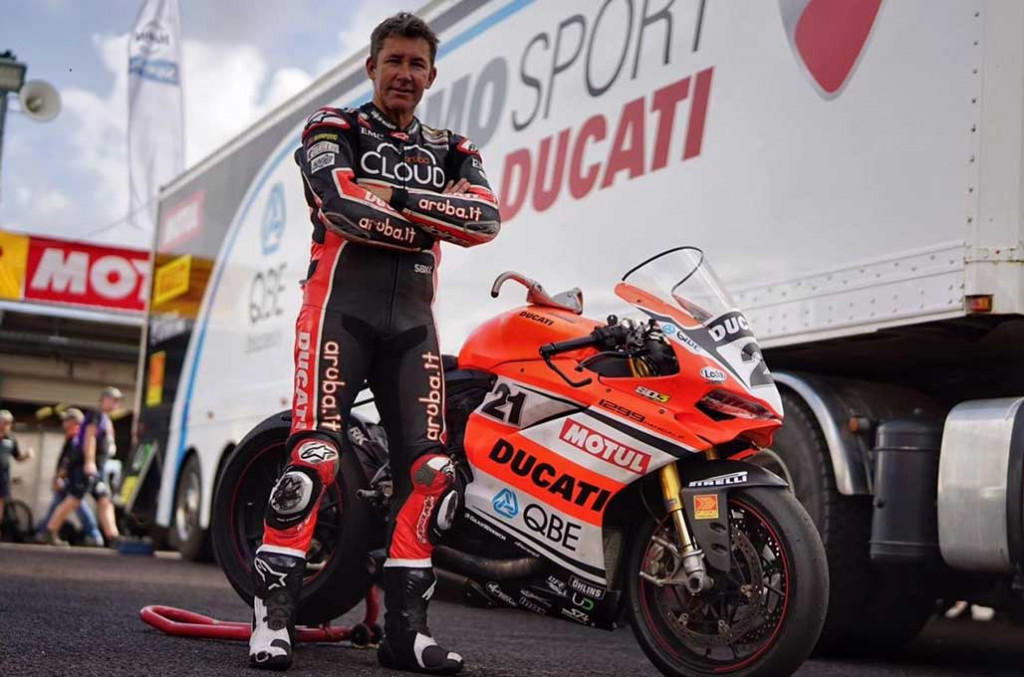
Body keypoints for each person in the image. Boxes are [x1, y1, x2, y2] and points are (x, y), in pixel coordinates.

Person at [248, 12, 501, 673]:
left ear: (432, 76)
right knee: (314, 456)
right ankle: (273, 618)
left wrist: (393, 197)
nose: (404, 74)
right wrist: (431, 214)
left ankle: (404, 633)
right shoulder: (334, 125)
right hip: (338, 313)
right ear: (372, 67)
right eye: (394, 61)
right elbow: (339, 204)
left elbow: (484, 219)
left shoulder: (453, 145)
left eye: (417, 64)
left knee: (432, 472)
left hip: (413, 326)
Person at [43, 387, 122, 546]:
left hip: (97, 467)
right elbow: (89, 437)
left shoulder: (105, 419)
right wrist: (89, 462)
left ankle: (113, 537)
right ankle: (49, 531)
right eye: (114, 400)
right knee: (74, 497)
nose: (116, 404)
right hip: (84, 466)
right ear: (105, 399)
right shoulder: (96, 414)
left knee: (104, 499)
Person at [34, 408, 104, 546]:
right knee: (62, 505)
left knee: (76, 504)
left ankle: (94, 535)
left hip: (72, 480)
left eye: (66, 420)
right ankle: (44, 532)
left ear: (74, 422)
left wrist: (59, 476)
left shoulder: (77, 439)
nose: (64, 423)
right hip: (70, 480)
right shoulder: (72, 438)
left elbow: (69, 460)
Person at [0, 409, 33, 537]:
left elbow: (18, 457)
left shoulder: (11, 440)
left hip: (3, 477)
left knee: (1, 503)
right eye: (4, 422)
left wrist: (27, 456)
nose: (6, 426)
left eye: (9, 423)